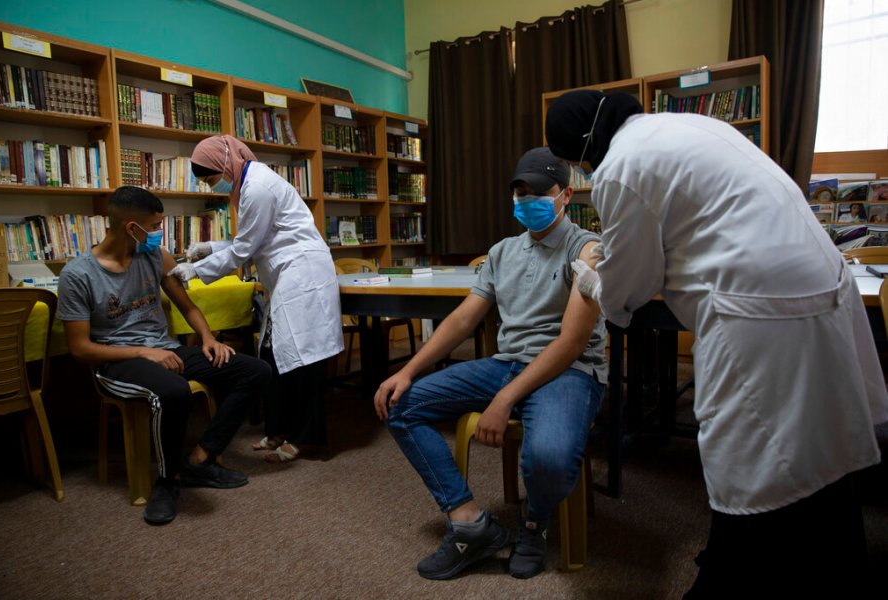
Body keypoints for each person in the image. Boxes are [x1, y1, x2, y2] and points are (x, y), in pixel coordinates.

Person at [545, 89, 888, 597]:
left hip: (758, 306)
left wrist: (592, 277)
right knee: (823, 438)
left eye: (573, 161)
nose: (580, 169)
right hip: (818, 279)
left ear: (581, 147)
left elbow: (630, 289)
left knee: (752, 456)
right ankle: (838, 563)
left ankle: (734, 570)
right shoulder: (688, 128)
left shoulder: (619, 166)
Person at [374, 147, 607, 580]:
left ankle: (534, 527)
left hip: (568, 371)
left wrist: (504, 399)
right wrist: (407, 371)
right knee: (401, 404)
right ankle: (469, 524)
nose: (526, 201)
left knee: (550, 458)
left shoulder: (587, 248)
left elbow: (572, 343)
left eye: (538, 193)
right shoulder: (502, 252)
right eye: (519, 193)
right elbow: (464, 317)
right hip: (508, 363)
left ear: (566, 195)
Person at [57, 186, 271, 525]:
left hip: (166, 351)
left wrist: (207, 338)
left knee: (255, 371)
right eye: (155, 226)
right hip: (117, 362)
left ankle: (200, 459)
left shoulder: (155, 256)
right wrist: (144, 352)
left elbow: (187, 305)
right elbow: (80, 349)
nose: (159, 233)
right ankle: (168, 482)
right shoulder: (78, 275)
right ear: (131, 228)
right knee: (174, 391)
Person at [169, 135, 344, 462]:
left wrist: (197, 270)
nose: (212, 187)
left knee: (304, 358)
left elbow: (246, 249)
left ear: (224, 164)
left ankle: (307, 437)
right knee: (274, 355)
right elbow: (252, 240)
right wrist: (208, 250)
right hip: (288, 273)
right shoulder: (246, 185)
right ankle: (278, 430)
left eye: (211, 179)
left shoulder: (257, 187)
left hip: (303, 273)